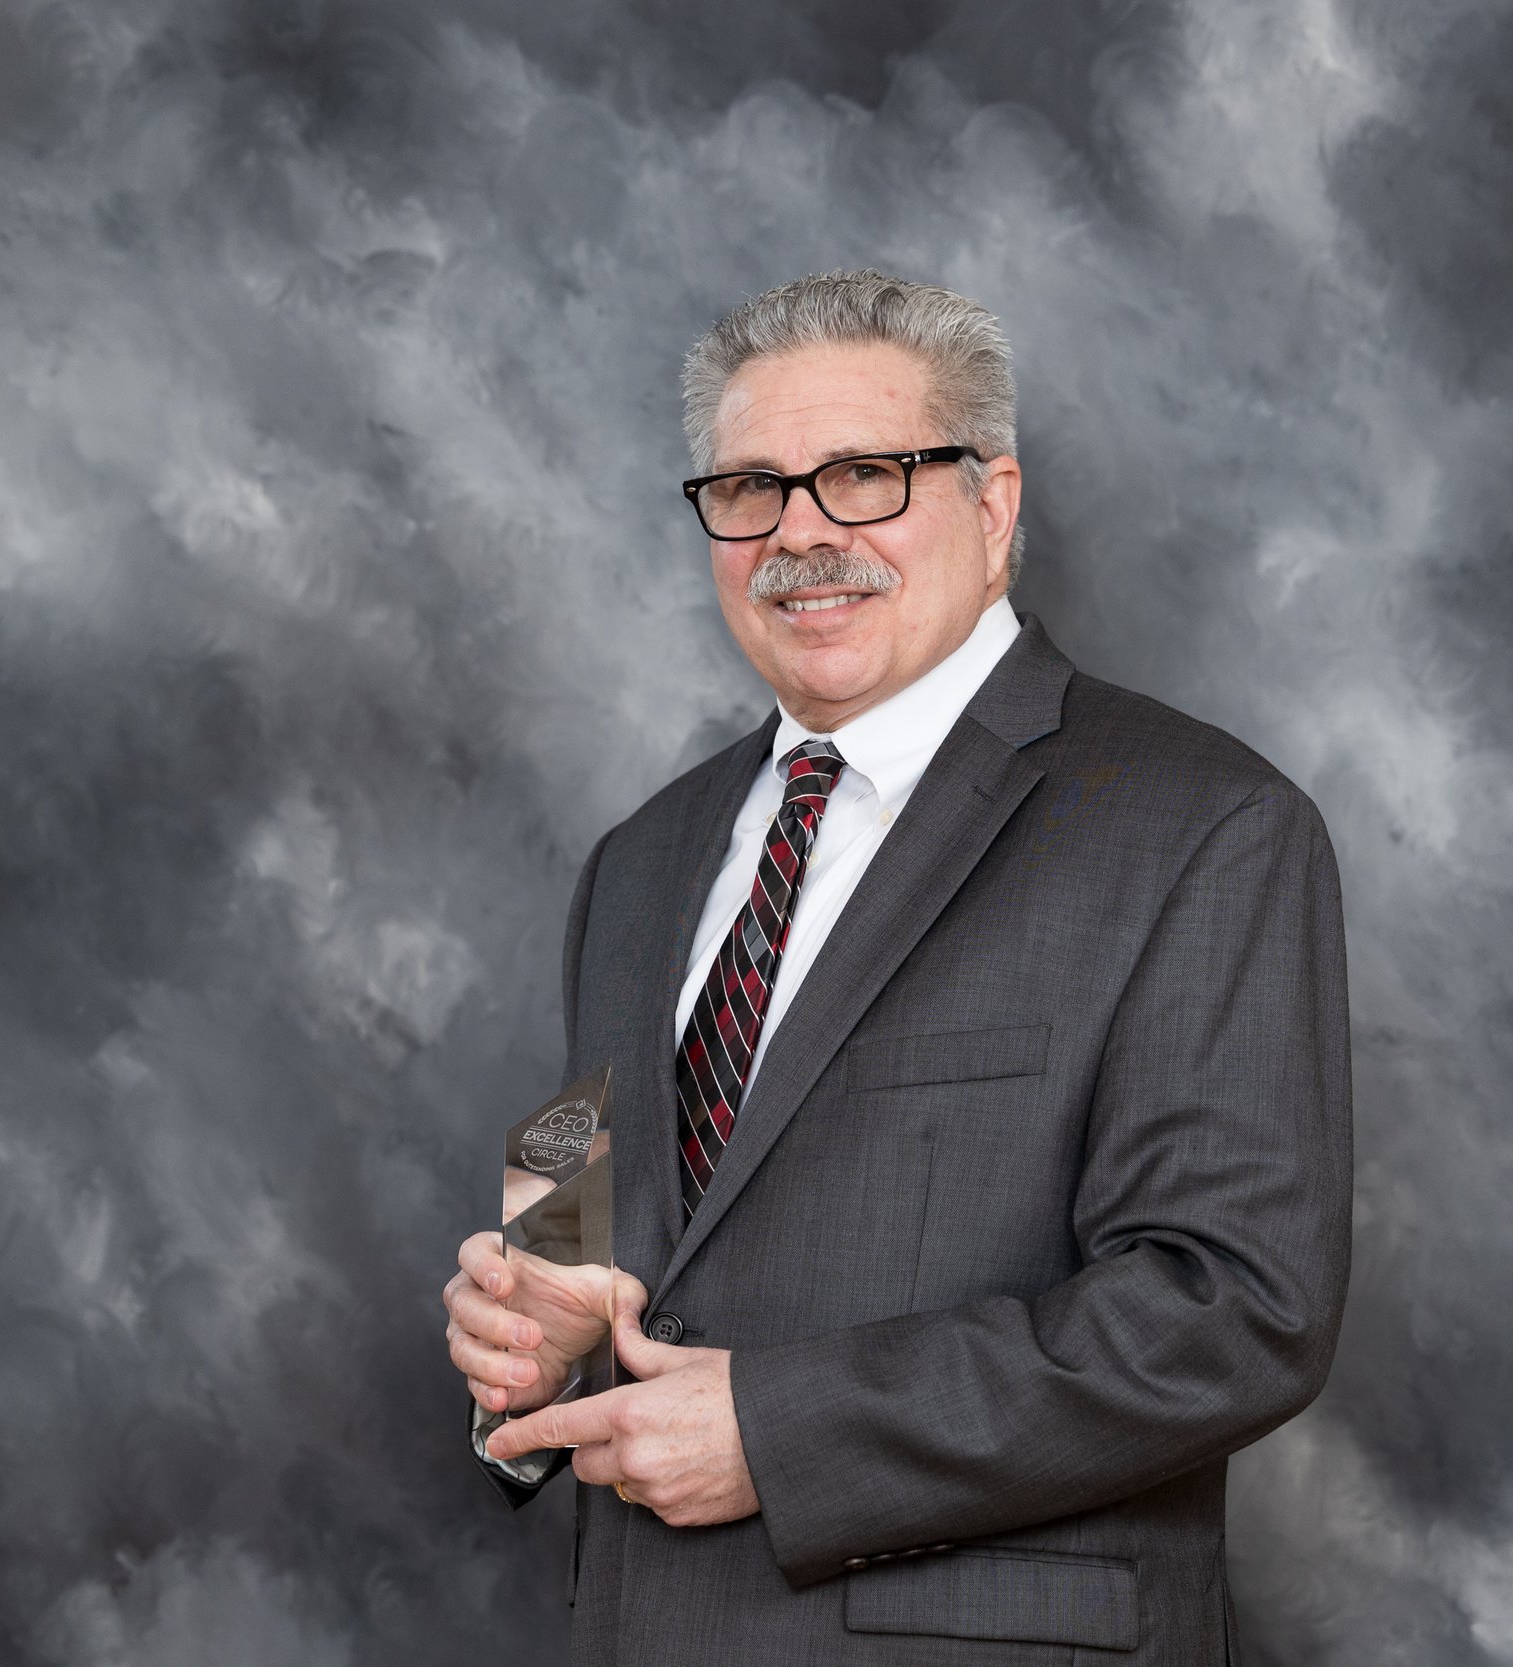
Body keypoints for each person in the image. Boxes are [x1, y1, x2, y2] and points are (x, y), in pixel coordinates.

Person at [441, 269, 1352, 1664]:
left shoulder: (1203, 827)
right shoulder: (636, 860)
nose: (800, 534)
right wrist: (529, 1346)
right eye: (748, 489)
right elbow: (573, 1228)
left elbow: (1230, 1312)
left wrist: (778, 1432)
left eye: (864, 476)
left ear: (994, 511)